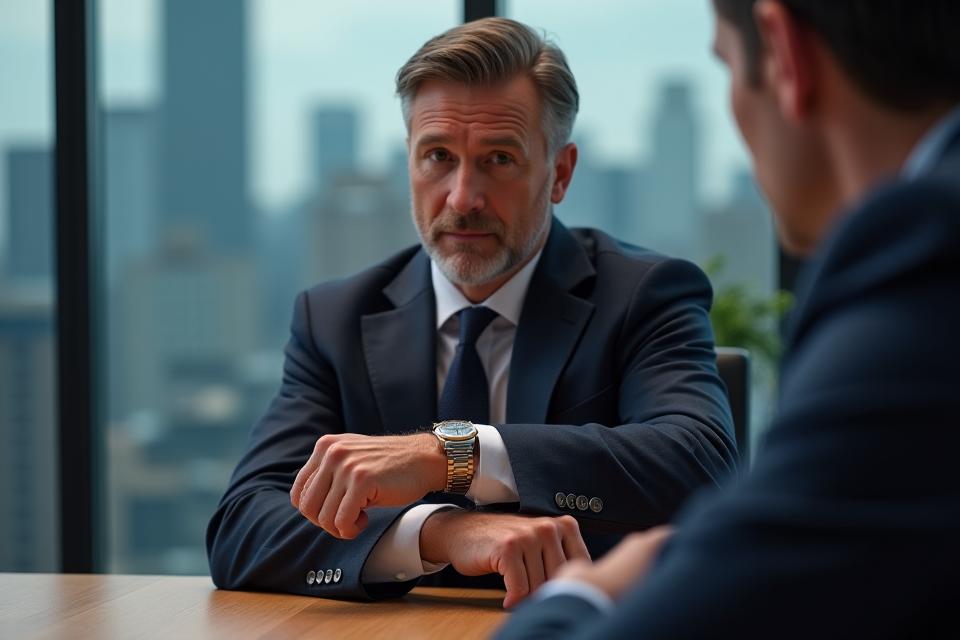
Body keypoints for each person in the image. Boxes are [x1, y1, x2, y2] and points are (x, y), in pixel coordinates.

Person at [206, 17, 737, 607]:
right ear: (408, 162)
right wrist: (439, 531)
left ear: (559, 173)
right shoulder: (334, 317)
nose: (462, 198)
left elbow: (699, 465)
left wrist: (452, 454)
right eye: (437, 156)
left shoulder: (645, 293)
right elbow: (244, 526)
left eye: (500, 159)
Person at [496, 0, 960, 637]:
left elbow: (714, 489)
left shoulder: (923, 268)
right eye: (436, 156)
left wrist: (582, 595)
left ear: (783, 51)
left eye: (728, 68)